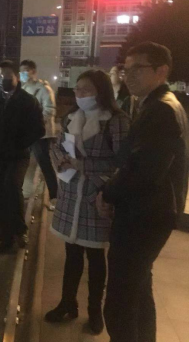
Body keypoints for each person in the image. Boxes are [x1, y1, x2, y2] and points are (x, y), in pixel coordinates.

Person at [98, 42, 189, 342]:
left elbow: (143, 170)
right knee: (138, 291)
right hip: (153, 212)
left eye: (138, 68)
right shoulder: (160, 103)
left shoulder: (161, 109)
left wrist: (107, 193)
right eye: (126, 69)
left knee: (120, 302)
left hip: (144, 216)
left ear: (161, 71)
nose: (129, 75)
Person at [45, 70, 130, 335]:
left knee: (95, 257)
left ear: (101, 91)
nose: (79, 94)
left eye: (86, 89)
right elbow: (56, 145)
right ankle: (68, 303)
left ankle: (95, 311)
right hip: (71, 194)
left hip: (97, 196)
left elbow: (123, 163)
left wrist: (83, 165)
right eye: (77, 89)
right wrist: (60, 160)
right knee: (71, 255)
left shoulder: (116, 121)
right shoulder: (72, 116)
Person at [0, 61, 45, 253]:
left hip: (17, 156)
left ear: (16, 77)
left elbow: (39, 129)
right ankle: (4, 238)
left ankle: (20, 231)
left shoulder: (28, 101)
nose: (2, 79)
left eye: (6, 76)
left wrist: (19, 144)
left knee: (12, 188)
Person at [19, 60, 59, 209]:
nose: (23, 74)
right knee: (21, 162)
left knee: (44, 164)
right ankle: (20, 193)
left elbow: (50, 110)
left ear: (34, 72)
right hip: (25, 133)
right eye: (21, 71)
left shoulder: (44, 89)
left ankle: (54, 196)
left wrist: (33, 121)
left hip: (40, 134)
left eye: (26, 70)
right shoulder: (22, 88)